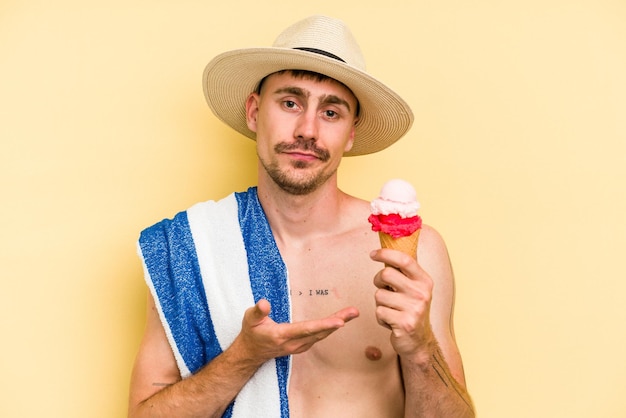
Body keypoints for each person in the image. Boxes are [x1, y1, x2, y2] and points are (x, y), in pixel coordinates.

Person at [128, 15, 475, 418]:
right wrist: (244, 356)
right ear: (255, 112)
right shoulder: (191, 247)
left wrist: (420, 349)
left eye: (331, 112)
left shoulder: (415, 257)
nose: (308, 130)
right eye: (290, 103)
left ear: (351, 132)